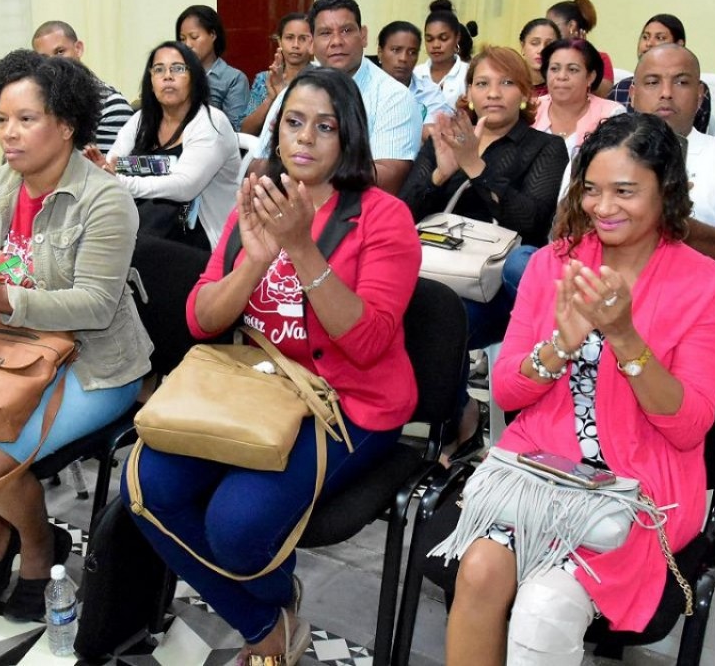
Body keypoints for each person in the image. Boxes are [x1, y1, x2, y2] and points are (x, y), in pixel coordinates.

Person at [128, 67, 420, 666]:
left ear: (349, 138)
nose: (306, 139)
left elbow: (366, 344)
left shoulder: (383, 217)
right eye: (293, 122)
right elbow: (201, 320)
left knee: (237, 527)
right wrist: (253, 261)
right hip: (258, 390)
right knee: (148, 486)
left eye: (325, 127)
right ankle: (268, 622)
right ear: (277, 132)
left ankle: (264, 608)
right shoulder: (258, 202)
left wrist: (302, 248)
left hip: (349, 403)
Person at [437, 112, 715, 666]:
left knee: (544, 607)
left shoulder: (703, 283)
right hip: (540, 468)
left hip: (642, 485)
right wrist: (560, 343)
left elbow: (690, 423)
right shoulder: (556, 262)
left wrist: (624, 337)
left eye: (625, 191)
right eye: (593, 190)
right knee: (478, 573)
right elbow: (507, 394)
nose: (604, 208)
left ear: (666, 190)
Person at [0, 51, 152, 619]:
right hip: (6, 349)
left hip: (94, 362)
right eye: (1, 119)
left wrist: (2, 297)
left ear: (66, 125)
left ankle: (39, 547)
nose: (8, 134)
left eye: (26, 119)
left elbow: (95, 304)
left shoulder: (104, 199)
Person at [399, 46, 568, 461]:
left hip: (502, 288)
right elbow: (402, 215)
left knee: (439, 321)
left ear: (526, 93)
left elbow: (530, 223)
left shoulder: (545, 147)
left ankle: (459, 421)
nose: (494, 93)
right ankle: (455, 412)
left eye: (507, 83)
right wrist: (441, 171)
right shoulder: (445, 136)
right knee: (401, 310)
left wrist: (474, 166)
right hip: (438, 270)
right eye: (482, 83)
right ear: (469, 92)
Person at [255, 0, 421, 194]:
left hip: (355, 217)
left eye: (346, 30)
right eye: (325, 33)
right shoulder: (295, 90)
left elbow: (387, 179)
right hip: (290, 208)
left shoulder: (393, 97)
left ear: (364, 35)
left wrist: (307, 166)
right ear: (312, 44)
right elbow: (258, 167)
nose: (336, 41)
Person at [630, 44, 715, 274]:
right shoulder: (602, 153)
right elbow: (565, 231)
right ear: (632, 95)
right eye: (652, 82)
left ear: (700, 94)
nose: (666, 93)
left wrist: (675, 223)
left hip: (693, 297)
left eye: (681, 82)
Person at [95, 41, 240, 251]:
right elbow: (116, 164)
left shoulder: (210, 122)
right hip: (146, 224)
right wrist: (110, 169)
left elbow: (184, 187)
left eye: (178, 69)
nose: (168, 76)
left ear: (194, 79)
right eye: (159, 69)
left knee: (124, 248)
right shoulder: (141, 120)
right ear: (151, 82)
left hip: (198, 239)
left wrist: (122, 180)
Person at [31, 20, 134, 151]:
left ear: (78, 49)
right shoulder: (34, 103)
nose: (53, 62)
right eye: (44, 58)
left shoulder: (111, 105)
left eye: (60, 52)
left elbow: (109, 168)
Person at [533, 38, 625, 156]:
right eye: (554, 69)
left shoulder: (611, 114)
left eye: (572, 70)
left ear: (590, 77)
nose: (561, 76)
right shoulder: (532, 109)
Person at [177, 4, 252, 129]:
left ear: (212, 35)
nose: (187, 44)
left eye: (194, 37)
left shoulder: (233, 78)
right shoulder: (175, 74)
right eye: (182, 39)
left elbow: (236, 131)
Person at [243, 12, 313, 135]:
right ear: (280, 42)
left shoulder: (322, 79)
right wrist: (271, 98)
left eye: (303, 38)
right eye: (289, 38)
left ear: (313, 42)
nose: (296, 45)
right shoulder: (265, 79)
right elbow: (245, 131)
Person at [377, 20, 450, 135]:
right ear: (380, 52)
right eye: (396, 50)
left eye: (412, 52)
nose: (403, 58)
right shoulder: (360, 89)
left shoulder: (429, 93)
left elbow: (438, 136)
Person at [412, 0, 478, 112]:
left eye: (443, 38)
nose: (436, 45)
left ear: (457, 38)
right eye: (429, 39)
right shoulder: (415, 74)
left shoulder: (469, 73)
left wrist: (466, 110)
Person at [547, 0, 615, 97]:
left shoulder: (601, 59)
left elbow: (604, 94)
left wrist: (584, 57)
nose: (547, 32)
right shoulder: (546, 56)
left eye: (552, 26)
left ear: (571, 26)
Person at [518, 18, 560, 98]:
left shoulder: (563, 87)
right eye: (535, 43)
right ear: (522, 47)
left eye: (549, 45)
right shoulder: (511, 83)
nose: (542, 50)